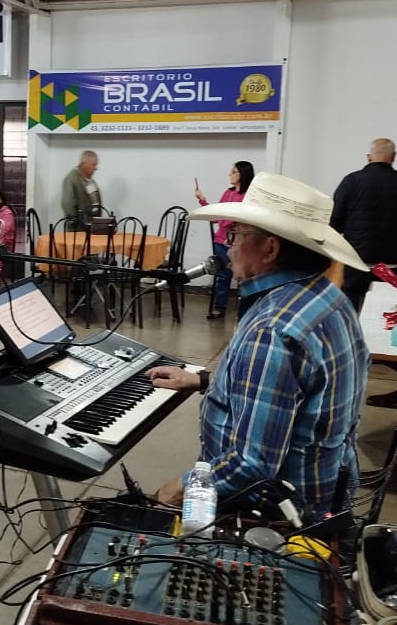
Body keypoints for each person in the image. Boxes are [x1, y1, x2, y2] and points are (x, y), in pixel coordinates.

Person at [147, 173, 371, 519]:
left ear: (270, 248)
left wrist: (178, 488)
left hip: (280, 511)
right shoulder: (328, 296)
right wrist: (206, 381)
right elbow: (292, 392)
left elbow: (251, 465)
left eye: (235, 234)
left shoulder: (272, 330)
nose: (228, 246)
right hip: (326, 487)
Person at [330, 137, 397, 313]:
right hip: (390, 261)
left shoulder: (351, 181)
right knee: (385, 308)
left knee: (350, 301)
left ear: (368, 157)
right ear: (393, 156)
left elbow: (335, 219)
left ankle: (351, 328)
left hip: (356, 258)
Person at [195, 161, 255, 320]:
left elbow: (240, 219)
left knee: (245, 276)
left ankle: (246, 309)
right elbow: (216, 217)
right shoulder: (228, 193)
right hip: (221, 240)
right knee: (222, 275)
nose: (230, 174)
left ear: (243, 174)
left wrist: (226, 219)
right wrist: (202, 200)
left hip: (240, 242)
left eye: (233, 172)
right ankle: (219, 308)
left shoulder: (249, 196)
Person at [60, 149, 102, 221]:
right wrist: (74, 224)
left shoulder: (89, 179)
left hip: (93, 224)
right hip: (80, 226)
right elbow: (67, 205)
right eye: (93, 164)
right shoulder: (71, 179)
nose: (96, 168)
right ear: (83, 164)